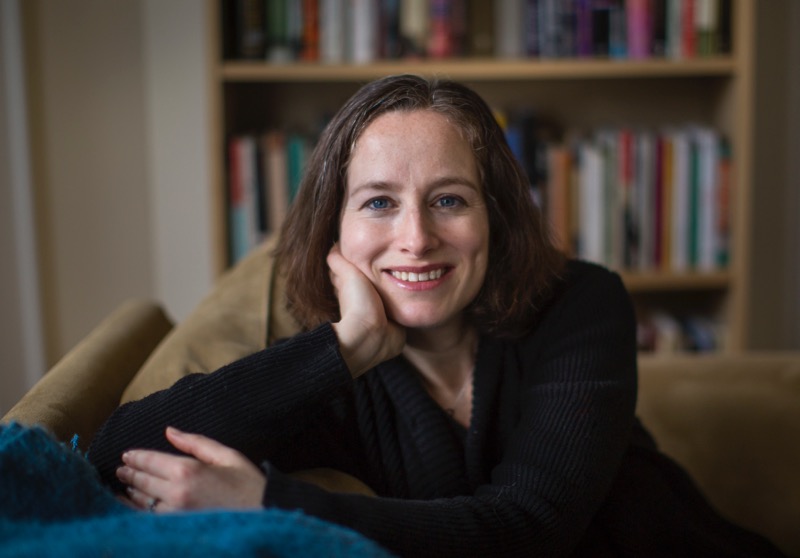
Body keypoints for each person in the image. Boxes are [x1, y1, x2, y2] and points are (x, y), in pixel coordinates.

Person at [88, 75, 785, 557]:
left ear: (495, 216)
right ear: (334, 230)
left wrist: (267, 503)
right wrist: (349, 347)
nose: (416, 237)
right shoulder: (321, 371)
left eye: (449, 199)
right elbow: (114, 452)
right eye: (379, 202)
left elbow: (530, 531)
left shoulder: (581, 304)